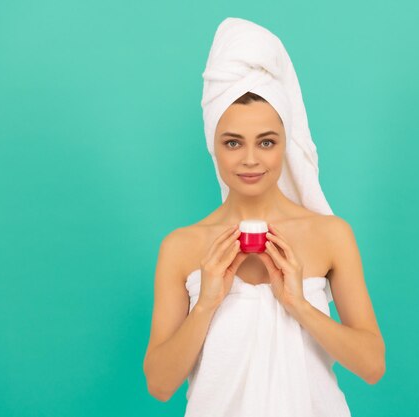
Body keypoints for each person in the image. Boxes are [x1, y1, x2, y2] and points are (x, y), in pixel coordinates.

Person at [143, 18, 385, 417]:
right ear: (213, 146)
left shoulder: (330, 235)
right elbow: (160, 384)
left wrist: (298, 305)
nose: (251, 159)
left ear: (285, 144)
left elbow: (372, 365)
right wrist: (206, 303)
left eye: (267, 142)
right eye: (233, 142)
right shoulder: (182, 247)